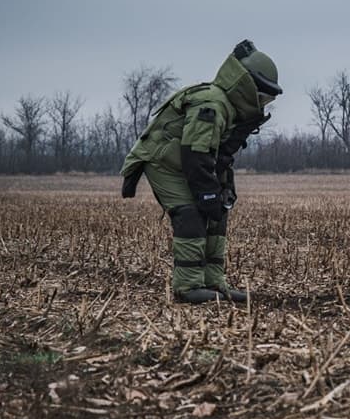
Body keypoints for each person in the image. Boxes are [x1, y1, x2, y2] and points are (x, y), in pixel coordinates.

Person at [120, 39, 281, 303]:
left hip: (185, 162)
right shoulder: (212, 105)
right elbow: (196, 155)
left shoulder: (229, 109)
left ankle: (214, 282)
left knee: (218, 213)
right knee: (191, 212)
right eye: (263, 96)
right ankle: (188, 287)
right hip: (164, 163)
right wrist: (207, 194)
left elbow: (218, 157)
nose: (264, 103)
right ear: (247, 86)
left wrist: (222, 192)